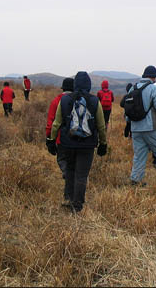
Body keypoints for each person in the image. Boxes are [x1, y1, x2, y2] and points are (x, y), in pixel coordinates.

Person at [47, 71, 107, 213]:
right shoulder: (94, 101)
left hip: (68, 142)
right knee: (81, 175)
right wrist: (103, 143)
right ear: (89, 85)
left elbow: (57, 123)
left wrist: (51, 140)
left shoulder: (65, 100)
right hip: (87, 144)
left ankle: (68, 198)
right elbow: (101, 125)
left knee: (70, 170)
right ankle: (77, 205)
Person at [126, 65, 156, 185]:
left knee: (139, 155)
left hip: (135, 128)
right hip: (151, 127)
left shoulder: (133, 89)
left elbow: (127, 110)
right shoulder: (153, 89)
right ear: (154, 77)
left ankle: (136, 180)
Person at [46, 77, 74, 187]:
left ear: (63, 88)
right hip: (77, 137)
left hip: (60, 138)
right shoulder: (78, 99)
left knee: (62, 158)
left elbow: (51, 122)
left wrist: (49, 138)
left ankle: (67, 175)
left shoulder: (56, 100)